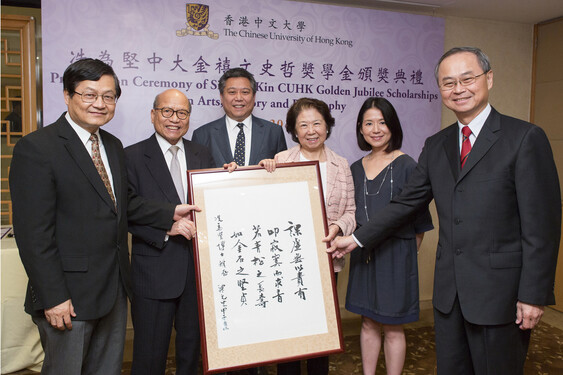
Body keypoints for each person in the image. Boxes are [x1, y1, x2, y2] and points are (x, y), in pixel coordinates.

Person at [328, 46, 561, 375]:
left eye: (468, 78)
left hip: (501, 296)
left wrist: (534, 295)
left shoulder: (523, 138)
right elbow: (407, 202)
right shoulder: (436, 145)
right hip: (449, 296)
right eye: (448, 83)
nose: (458, 89)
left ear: (489, 79)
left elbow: (542, 226)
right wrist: (356, 239)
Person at [9, 59, 197, 375]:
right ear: (68, 95)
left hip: (113, 290)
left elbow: (122, 204)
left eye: (109, 96)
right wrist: (53, 297)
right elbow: (33, 234)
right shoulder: (38, 148)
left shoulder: (111, 145)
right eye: (90, 94)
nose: (100, 104)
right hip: (67, 297)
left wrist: (169, 213)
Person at [260, 97, 356, 375]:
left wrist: (338, 226)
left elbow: (351, 212)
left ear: (327, 126)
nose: (311, 130)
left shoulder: (342, 165)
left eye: (317, 123)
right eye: (303, 125)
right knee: (289, 330)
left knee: (321, 331)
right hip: (288, 260)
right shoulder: (279, 161)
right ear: (293, 130)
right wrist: (261, 174)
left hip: (326, 259)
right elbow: (263, 207)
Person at [125, 89, 215, 374]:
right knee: (150, 355)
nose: (175, 119)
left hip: (198, 273)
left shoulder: (203, 153)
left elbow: (211, 201)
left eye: (182, 113)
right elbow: (126, 208)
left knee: (192, 352)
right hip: (153, 270)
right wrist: (167, 225)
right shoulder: (132, 156)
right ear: (153, 115)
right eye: (167, 111)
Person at [346, 97, 433, 375]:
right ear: (360, 129)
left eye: (382, 122)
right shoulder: (355, 168)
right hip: (364, 256)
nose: (376, 129)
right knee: (368, 322)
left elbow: (419, 223)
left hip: (396, 257)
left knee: (394, 326)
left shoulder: (408, 165)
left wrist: (404, 257)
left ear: (393, 126)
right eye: (369, 123)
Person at [192, 67, 287, 167]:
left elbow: (284, 176)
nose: (238, 98)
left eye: (245, 92)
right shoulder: (202, 135)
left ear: (254, 97)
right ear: (221, 97)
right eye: (232, 92)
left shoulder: (273, 133)